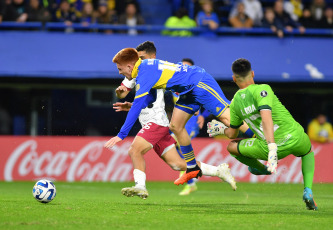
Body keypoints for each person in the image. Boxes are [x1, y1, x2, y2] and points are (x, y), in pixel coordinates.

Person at [104, 46, 254, 186]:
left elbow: (138, 104)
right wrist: (131, 105)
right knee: (175, 126)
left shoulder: (144, 73)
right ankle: (192, 168)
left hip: (199, 82)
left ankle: (259, 137)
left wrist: (121, 135)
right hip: (188, 91)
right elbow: (149, 98)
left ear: (129, 66)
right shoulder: (144, 69)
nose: (119, 72)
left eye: (120, 69)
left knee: (228, 118)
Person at [207, 58, 318, 211]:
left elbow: (232, 134)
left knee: (232, 147)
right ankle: (308, 190)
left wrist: (221, 130)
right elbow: (266, 117)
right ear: (252, 73)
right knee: (307, 152)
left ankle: (262, 169)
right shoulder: (263, 89)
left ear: (234, 79)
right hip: (296, 136)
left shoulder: (235, 103)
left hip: (269, 147)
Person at [173, 58, 211, 195]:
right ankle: (191, 175)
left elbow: (209, 101)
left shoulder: (196, 84)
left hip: (191, 123)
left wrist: (203, 115)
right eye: (182, 66)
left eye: (187, 67)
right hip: (180, 123)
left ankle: (190, 178)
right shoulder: (175, 86)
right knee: (177, 149)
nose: (184, 69)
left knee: (177, 146)